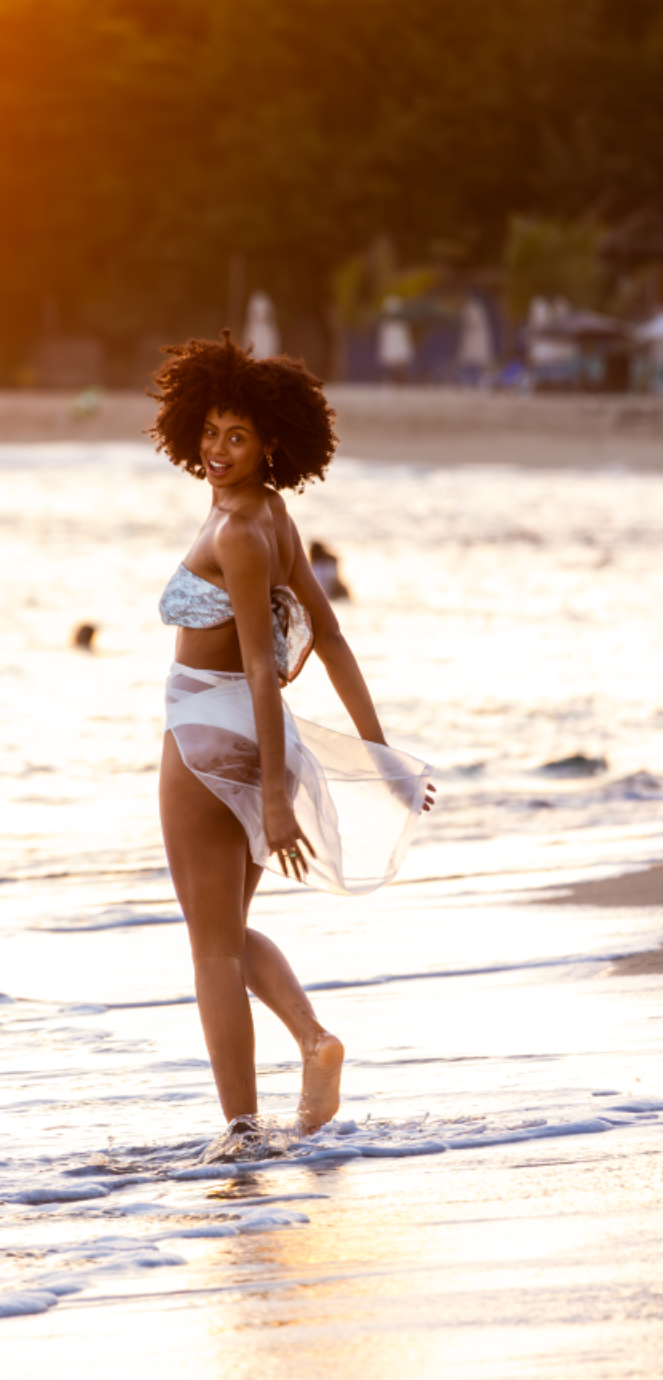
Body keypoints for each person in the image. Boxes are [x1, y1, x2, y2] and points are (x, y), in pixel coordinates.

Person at [151, 334, 434, 1160]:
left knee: (208, 949)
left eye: (236, 436)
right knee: (228, 935)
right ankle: (312, 1043)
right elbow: (333, 638)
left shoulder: (241, 529)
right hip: (239, 731)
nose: (216, 449)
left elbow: (260, 670)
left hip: (210, 737)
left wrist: (275, 796)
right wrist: (380, 754)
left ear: (272, 440)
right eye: (208, 432)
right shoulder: (271, 511)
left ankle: (240, 1132)